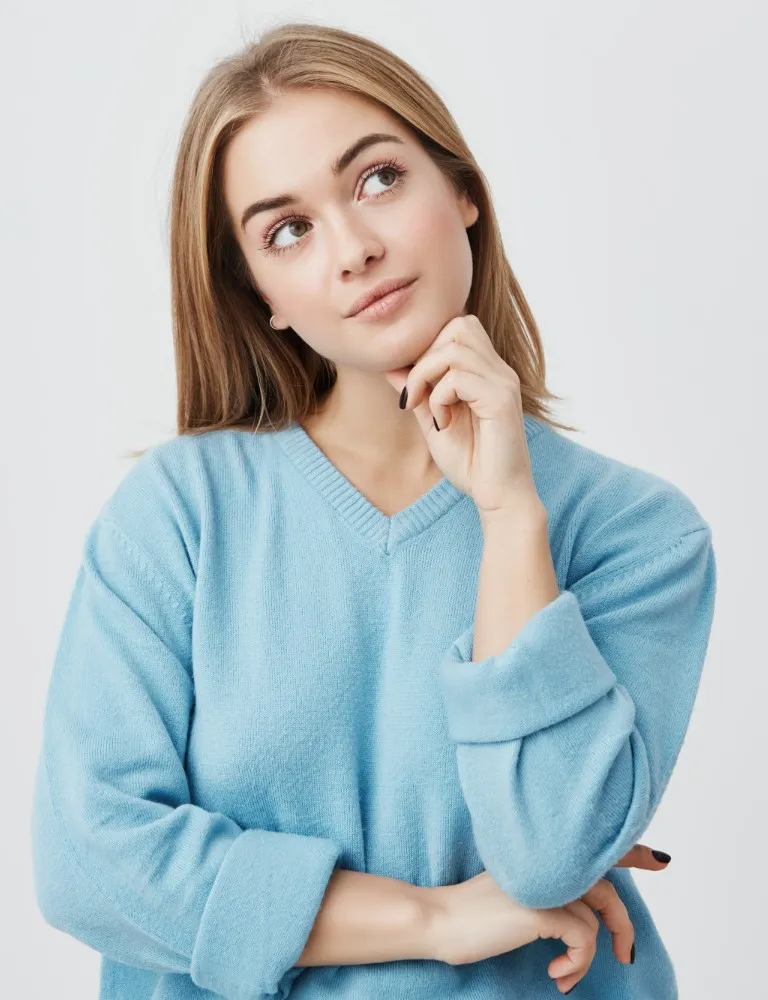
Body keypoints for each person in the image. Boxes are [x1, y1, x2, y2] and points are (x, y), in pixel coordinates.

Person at [30, 20, 716, 1000]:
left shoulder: (637, 534)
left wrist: (510, 514)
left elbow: (551, 852)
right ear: (259, 292)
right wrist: (437, 918)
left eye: (378, 179)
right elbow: (89, 862)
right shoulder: (177, 514)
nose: (352, 249)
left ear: (463, 190)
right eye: (287, 230)